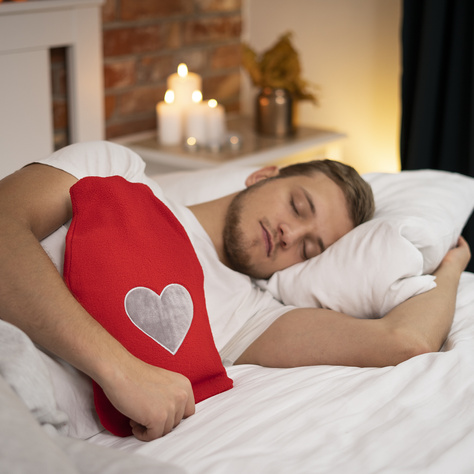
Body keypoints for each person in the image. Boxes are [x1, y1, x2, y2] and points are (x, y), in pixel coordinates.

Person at [0, 141, 470, 442]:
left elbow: (404, 340)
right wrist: (121, 371)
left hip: (32, 423)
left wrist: (452, 264)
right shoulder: (115, 171)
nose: (291, 234)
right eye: (298, 206)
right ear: (263, 176)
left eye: (311, 247)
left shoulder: (253, 315)